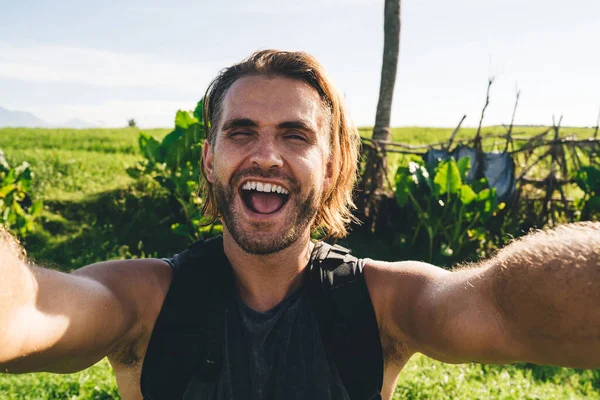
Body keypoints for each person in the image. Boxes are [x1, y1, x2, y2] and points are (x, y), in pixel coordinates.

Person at [1, 50, 599, 400]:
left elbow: (502, 305)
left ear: (332, 162)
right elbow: (28, 310)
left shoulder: (383, 304)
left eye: (295, 135)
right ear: (209, 158)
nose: (265, 155)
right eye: (241, 132)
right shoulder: (144, 302)